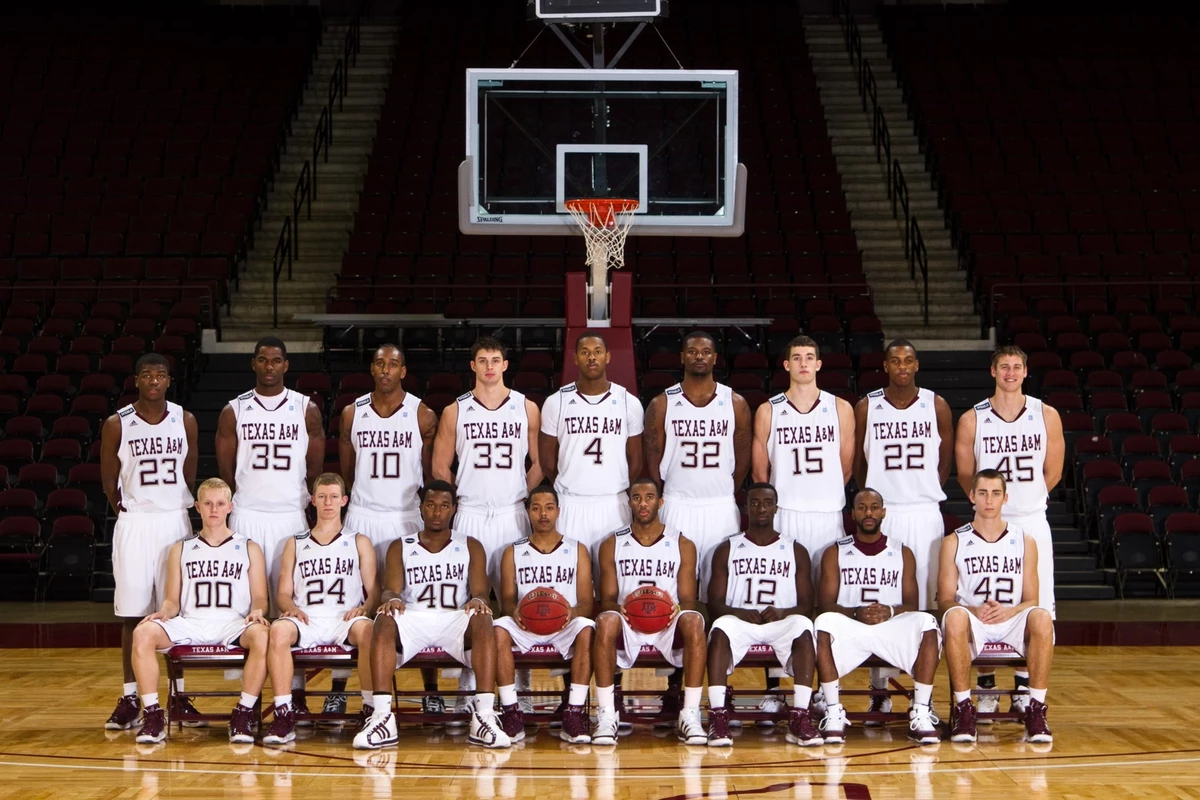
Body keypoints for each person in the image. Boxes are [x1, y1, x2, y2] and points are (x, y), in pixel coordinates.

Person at [353, 481, 511, 750]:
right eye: (431, 505)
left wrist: (478, 600)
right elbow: (391, 589)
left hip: (454, 617)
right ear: (421, 508)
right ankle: (382, 717)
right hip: (415, 616)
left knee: (484, 617)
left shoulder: (470, 545)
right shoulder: (400, 546)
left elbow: (481, 593)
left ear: (454, 509)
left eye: (444, 506)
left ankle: (483, 716)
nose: (437, 512)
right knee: (383, 618)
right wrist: (391, 598)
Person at [433, 337, 542, 712]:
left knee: (520, 601)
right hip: (471, 514)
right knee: (470, 603)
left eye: (496, 360)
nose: (490, 366)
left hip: (512, 514)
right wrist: (463, 495)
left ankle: (522, 687)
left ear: (505, 365)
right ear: (473, 366)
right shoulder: (455, 410)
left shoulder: (526, 407)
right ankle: (468, 688)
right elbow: (440, 466)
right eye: (483, 360)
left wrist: (519, 489)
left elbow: (540, 463)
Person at [954, 345, 1064, 714]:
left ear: (1026, 372)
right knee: (986, 597)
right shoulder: (973, 418)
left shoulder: (1046, 414)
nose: (1011, 373)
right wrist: (992, 505)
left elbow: (1053, 472)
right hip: (989, 519)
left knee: (1034, 607)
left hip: (1031, 519)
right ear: (993, 371)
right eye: (1004, 366)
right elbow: (966, 475)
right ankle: (985, 685)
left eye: (1017, 366)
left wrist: (1026, 500)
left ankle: (1022, 686)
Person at [853, 339, 953, 712]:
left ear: (917, 365)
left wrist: (923, 489)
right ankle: (879, 688)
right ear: (885, 366)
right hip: (885, 512)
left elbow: (945, 461)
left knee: (925, 604)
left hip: (924, 512)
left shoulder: (936, 404)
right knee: (881, 597)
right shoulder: (867, 406)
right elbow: (859, 465)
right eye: (895, 361)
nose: (902, 366)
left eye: (908, 360)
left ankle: (922, 696)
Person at [130, 479, 270, 744]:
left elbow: (261, 597)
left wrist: (257, 611)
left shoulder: (249, 547)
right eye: (207, 503)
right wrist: (163, 612)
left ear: (230, 506)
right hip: (191, 622)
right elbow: (172, 601)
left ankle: (243, 713)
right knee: (142, 633)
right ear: (197, 507)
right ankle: (153, 716)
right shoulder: (181, 548)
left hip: (233, 624)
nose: (214, 509)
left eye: (220, 503)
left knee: (263, 634)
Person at [101, 353, 199, 731]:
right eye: (147, 374)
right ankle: (131, 699)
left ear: (169, 380)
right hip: (136, 523)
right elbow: (109, 480)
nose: (154, 380)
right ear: (136, 379)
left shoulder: (184, 419)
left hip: (174, 521)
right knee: (133, 614)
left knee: (176, 613)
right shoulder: (117, 423)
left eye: (160, 374)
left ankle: (178, 696)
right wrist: (131, 511)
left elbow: (188, 473)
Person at [339, 344, 437, 716]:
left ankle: (431, 691)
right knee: (351, 604)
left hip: (405, 517)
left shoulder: (422, 414)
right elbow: (348, 471)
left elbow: (428, 474)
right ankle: (340, 689)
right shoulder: (352, 412)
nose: (385, 370)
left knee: (418, 603)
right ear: (371, 368)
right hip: (362, 515)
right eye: (379, 363)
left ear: (403, 371)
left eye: (393, 364)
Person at [813, 488, 943, 745]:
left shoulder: (902, 552)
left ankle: (921, 709)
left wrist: (890, 611)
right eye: (862, 508)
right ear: (853, 514)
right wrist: (855, 612)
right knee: (822, 623)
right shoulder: (835, 552)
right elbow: (825, 605)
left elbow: (912, 604)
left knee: (928, 622)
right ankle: (833, 710)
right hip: (852, 626)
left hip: (890, 626)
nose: (868, 513)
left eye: (874, 507)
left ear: (883, 512)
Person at [938, 470, 1054, 745]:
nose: (989, 500)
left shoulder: (1025, 541)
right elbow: (944, 600)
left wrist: (1009, 611)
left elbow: (1032, 599)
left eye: (995, 493)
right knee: (953, 616)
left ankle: (1036, 710)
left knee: (1041, 617)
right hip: (973, 620)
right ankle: (964, 709)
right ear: (972, 497)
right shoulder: (954, 541)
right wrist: (972, 611)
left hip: (1011, 618)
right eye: (982, 493)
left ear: (1005, 498)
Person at [262, 474, 379, 744]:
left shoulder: (358, 540)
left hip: (344, 618)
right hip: (308, 617)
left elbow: (374, 591)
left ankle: (370, 709)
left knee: (368, 630)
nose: (328, 502)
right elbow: (282, 594)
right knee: (278, 631)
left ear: (344, 500)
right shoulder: (295, 542)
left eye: (334, 497)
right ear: (312, 500)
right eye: (322, 497)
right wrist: (290, 608)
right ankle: (284, 714)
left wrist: (364, 608)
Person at [590, 478, 707, 746]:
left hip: (668, 622)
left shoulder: (682, 543)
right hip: (628, 622)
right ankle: (607, 714)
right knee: (605, 621)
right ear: (629, 503)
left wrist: (675, 610)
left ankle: (689, 713)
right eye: (637, 498)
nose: (643, 503)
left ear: (660, 502)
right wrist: (620, 609)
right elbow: (607, 600)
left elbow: (688, 601)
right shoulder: (612, 544)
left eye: (649, 497)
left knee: (694, 620)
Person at [705, 483, 821, 748]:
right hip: (740, 622)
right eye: (755, 503)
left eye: (767, 503)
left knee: (804, 626)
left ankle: (800, 715)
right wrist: (738, 613)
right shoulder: (727, 548)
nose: (761, 508)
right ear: (746, 507)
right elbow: (714, 604)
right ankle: (718, 715)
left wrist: (783, 612)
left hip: (779, 622)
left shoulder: (795, 549)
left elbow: (807, 604)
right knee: (720, 627)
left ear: (776, 508)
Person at [644, 330, 752, 601]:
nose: (699, 357)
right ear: (682, 357)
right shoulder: (662, 403)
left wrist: (724, 489)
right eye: (692, 352)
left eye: (705, 352)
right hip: (677, 504)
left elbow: (742, 459)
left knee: (722, 587)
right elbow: (652, 460)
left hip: (720, 506)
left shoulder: (735, 403)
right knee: (674, 587)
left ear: (715, 358)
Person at [215, 336, 324, 598]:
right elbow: (226, 471)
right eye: (263, 360)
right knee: (245, 599)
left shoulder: (306, 408)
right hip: (247, 514)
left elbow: (315, 468)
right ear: (253, 364)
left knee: (290, 598)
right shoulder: (234, 410)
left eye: (276, 361)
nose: (269, 367)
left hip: (290, 515)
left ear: (286, 365)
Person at [493, 485, 595, 744]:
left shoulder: (577, 549)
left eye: (549, 508)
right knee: (499, 628)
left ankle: (574, 712)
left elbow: (586, 602)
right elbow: (507, 602)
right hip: (526, 626)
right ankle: (511, 711)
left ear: (558, 511)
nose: (543, 514)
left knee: (586, 627)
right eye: (536, 508)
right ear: (528, 512)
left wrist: (570, 613)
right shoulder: (512, 551)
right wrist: (515, 612)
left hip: (564, 625)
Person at [539, 332, 644, 561]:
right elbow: (546, 459)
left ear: (608, 357)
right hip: (570, 503)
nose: (592, 357)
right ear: (575, 358)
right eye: (585, 352)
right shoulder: (556, 402)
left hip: (614, 503)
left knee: (612, 576)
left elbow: (636, 459)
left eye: (597, 352)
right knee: (571, 574)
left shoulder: (628, 402)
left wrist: (616, 484)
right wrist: (569, 482)